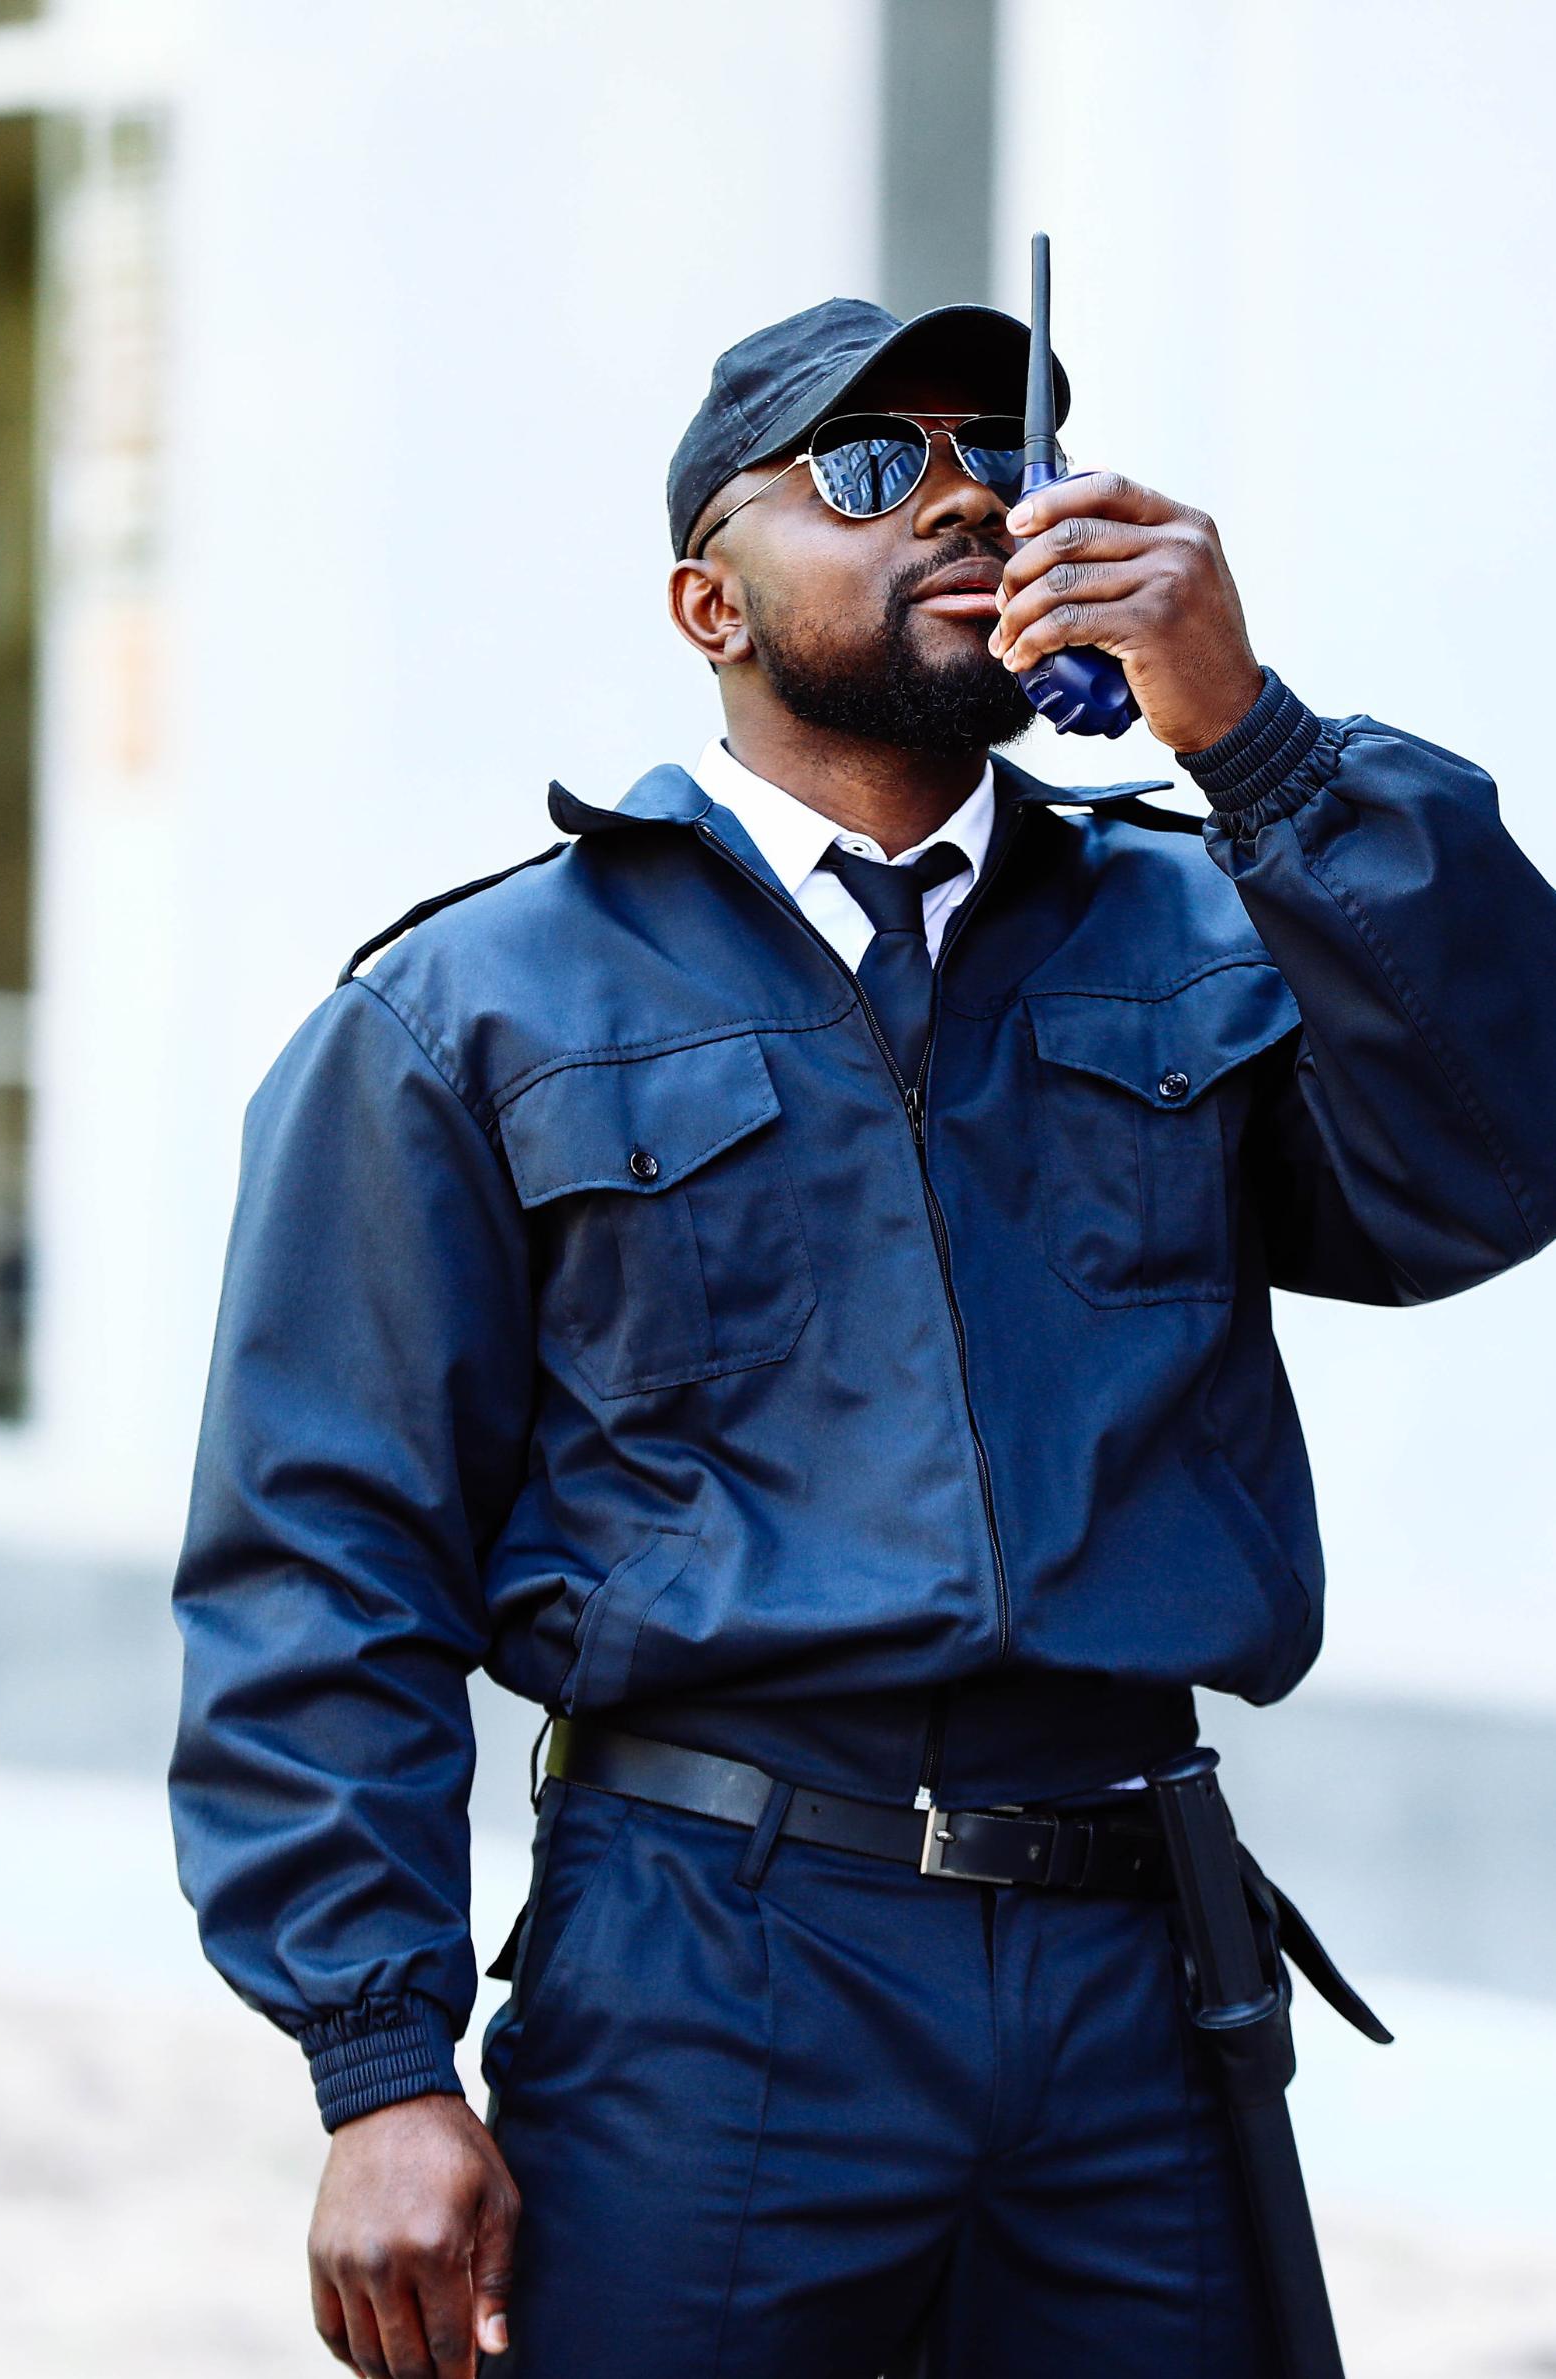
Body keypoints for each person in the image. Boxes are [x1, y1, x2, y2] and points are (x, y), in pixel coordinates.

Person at [168, 294, 1556, 2379]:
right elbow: (320, 1554)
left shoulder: (1205, 921)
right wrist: (379, 2059)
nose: (963, 498)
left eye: (993, 452)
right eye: (864, 465)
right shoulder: (474, 1008)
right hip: (709, 1955)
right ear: (702, 597)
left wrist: (1247, 734)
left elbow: (1487, 1158)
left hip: (1127, 1962)